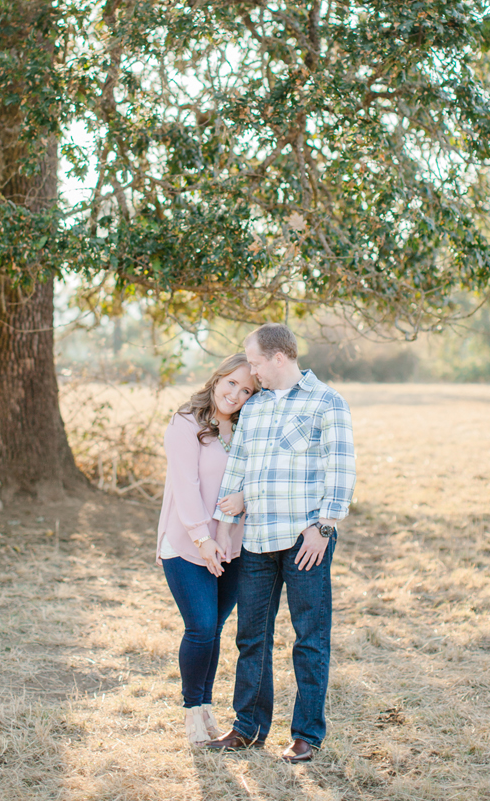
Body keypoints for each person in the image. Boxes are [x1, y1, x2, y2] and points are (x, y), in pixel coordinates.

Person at [202, 323, 356, 763]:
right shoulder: (257, 408)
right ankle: (248, 728)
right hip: (258, 540)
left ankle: (306, 734)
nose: (251, 372)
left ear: (278, 358)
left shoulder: (327, 403)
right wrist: (222, 519)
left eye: (254, 362)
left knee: (309, 637)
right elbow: (242, 467)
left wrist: (323, 527)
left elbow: (340, 472)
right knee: (251, 636)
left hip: (305, 539)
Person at [156, 353, 256, 745]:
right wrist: (202, 538)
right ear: (217, 379)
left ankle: (206, 708)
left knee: (213, 629)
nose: (235, 394)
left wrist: (246, 498)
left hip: (233, 546)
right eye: (231, 383)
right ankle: (191, 712)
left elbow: (261, 476)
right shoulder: (186, 422)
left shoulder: (250, 427)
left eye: (247, 390)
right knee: (199, 627)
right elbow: (185, 486)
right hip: (188, 543)